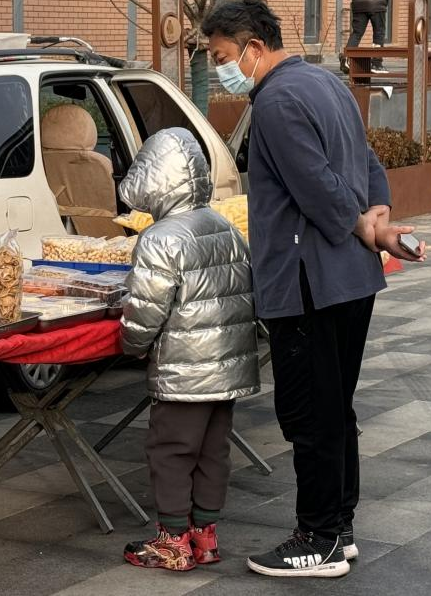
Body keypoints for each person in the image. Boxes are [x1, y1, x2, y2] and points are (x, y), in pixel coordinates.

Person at [200, 0, 425, 579]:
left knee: (308, 412)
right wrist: (376, 218)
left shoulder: (275, 101)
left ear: (253, 47)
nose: (219, 67)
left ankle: (318, 537)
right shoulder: (324, 83)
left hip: (309, 283)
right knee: (335, 407)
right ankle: (339, 528)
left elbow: (318, 187)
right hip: (350, 278)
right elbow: (369, 163)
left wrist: (360, 224)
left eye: (222, 55)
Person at [118, 128, 261, 572]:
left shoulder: (161, 238)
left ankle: (173, 540)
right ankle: (205, 535)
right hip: (228, 371)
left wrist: (132, 346)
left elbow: (144, 311)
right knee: (213, 451)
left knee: (171, 451)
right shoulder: (225, 227)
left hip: (183, 371)